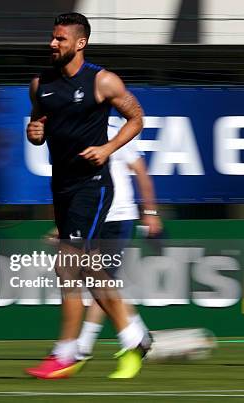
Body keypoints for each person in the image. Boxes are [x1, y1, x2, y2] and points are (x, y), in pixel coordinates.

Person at [25, 12, 149, 379]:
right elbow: (38, 129)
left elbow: (137, 118)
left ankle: (67, 352)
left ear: (80, 43)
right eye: (52, 37)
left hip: (92, 184)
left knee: (67, 263)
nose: (53, 44)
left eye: (60, 38)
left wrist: (108, 148)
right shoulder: (40, 84)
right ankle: (134, 334)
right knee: (89, 269)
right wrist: (35, 132)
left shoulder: (103, 80)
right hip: (60, 186)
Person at [76, 129, 162, 359]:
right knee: (100, 281)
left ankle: (83, 347)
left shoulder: (116, 134)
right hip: (92, 218)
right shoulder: (75, 135)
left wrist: (150, 213)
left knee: (101, 280)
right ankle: (140, 335)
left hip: (118, 217)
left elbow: (142, 174)